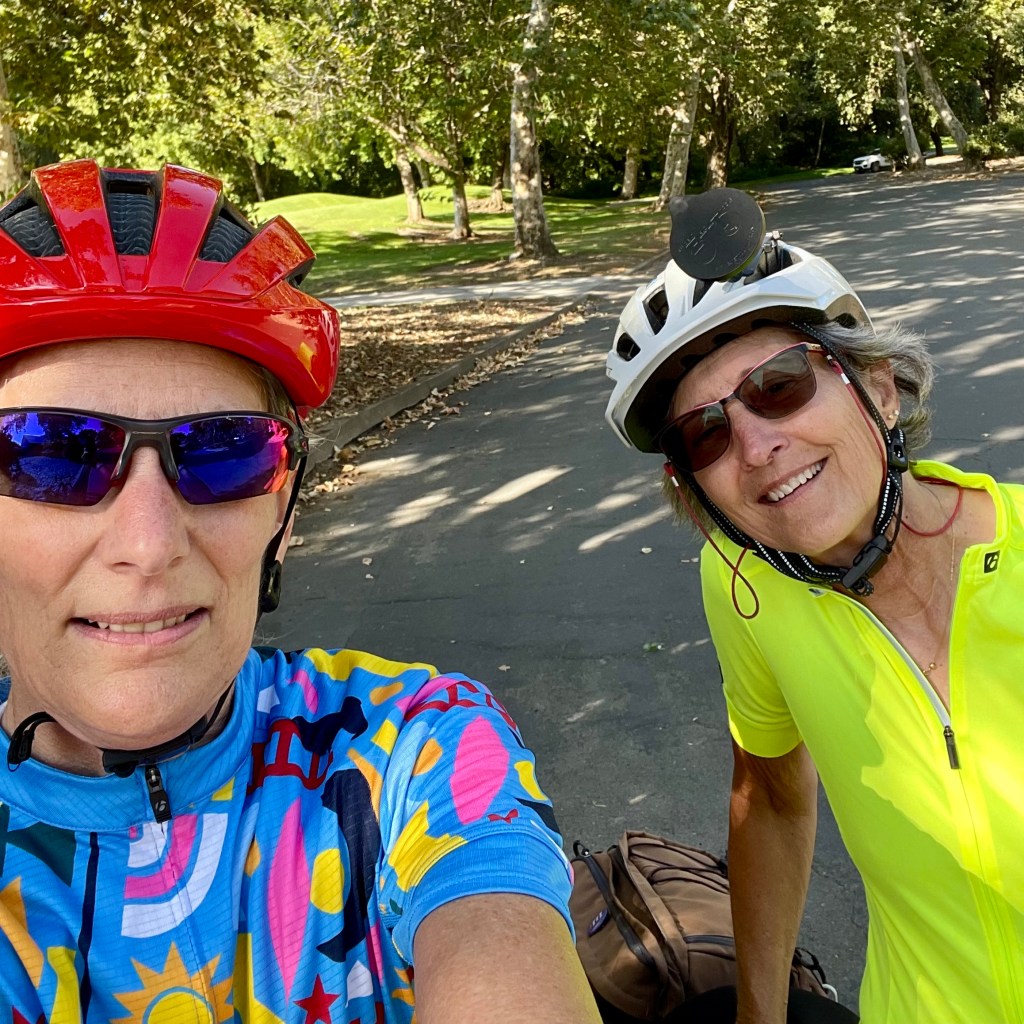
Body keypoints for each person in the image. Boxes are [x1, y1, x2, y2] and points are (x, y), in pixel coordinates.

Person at [0, 158, 601, 1023]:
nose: (148, 545)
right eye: (51, 453)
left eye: (225, 452)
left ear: (282, 514)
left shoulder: (409, 747)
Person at [603, 188, 1023, 1024]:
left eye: (780, 385)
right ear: (699, 498)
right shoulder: (745, 588)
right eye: (706, 434)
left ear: (879, 388)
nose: (757, 445)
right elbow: (770, 796)